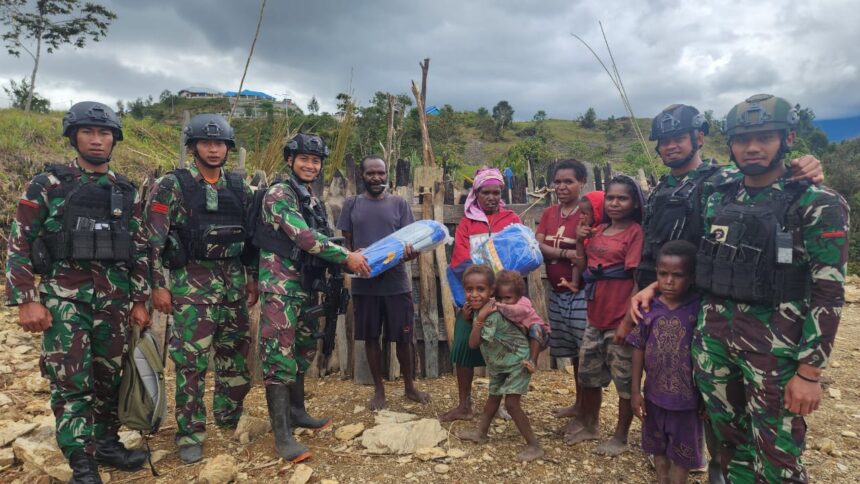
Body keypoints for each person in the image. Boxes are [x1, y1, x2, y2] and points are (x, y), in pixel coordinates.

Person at [691, 94, 848, 483]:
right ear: (730, 144)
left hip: (777, 350)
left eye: (765, 137)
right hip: (714, 342)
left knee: (779, 458)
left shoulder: (818, 202)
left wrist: (810, 373)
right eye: (743, 139)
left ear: (788, 137)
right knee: (731, 447)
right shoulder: (720, 194)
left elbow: (828, 292)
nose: (753, 147)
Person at [5, 102, 151, 483]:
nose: (97, 140)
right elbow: (20, 243)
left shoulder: (125, 190)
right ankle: (82, 466)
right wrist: (27, 299)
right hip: (65, 300)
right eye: (88, 132)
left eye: (104, 134)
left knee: (110, 378)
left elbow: (138, 248)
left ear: (114, 140)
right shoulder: (48, 184)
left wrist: (138, 299)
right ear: (73, 137)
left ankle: (106, 443)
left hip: (114, 302)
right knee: (72, 382)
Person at [145, 114, 256, 464]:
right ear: (192, 147)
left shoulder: (241, 188)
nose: (213, 149)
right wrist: (156, 286)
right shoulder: (172, 186)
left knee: (235, 354)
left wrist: (252, 277)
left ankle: (229, 415)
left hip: (233, 285)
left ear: (227, 148)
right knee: (190, 363)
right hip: (191, 286)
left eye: (219, 143)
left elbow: (252, 237)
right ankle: (190, 432)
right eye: (206, 143)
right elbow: (151, 241)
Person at [254, 133, 370, 462]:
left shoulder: (307, 196)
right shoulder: (279, 193)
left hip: (302, 283)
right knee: (279, 353)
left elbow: (318, 233)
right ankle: (282, 437)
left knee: (303, 345)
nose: (310, 165)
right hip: (280, 284)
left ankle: (297, 411)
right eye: (303, 158)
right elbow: (303, 237)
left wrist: (345, 251)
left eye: (315, 161)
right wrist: (346, 258)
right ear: (290, 160)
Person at [336, 154, 429, 410]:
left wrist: (412, 253)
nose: (376, 178)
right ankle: (379, 390)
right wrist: (353, 255)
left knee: (404, 338)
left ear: (386, 175)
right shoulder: (352, 205)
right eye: (371, 173)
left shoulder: (399, 204)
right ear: (362, 176)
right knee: (371, 337)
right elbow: (347, 245)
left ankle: (410, 386)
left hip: (397, 283)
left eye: (381, 173)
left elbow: (413, 242)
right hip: (365, 284)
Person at [565, 175, 644, 456]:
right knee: (588, 375)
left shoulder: (634, 232)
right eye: (610, 197)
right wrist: (578, 241)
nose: (614, 203)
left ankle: (621, 437)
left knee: (624, 382)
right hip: (594, 316)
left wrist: (628, 320)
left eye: (622, 198)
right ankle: (591, 424)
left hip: (619, 318)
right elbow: (584, 267)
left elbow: (636, 279)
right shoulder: (598, 231)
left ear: (634, 203)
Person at [441, 167, 521, 422]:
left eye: (496, 192)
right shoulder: (467, 224)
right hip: (473, 300)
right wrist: (479, 293)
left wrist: (502, 293)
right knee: (465, 349)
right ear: (476, 194)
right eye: (485, 192)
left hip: (503, 300)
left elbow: (519, 257)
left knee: (500, 351)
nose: (491, 197)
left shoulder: (511, 220)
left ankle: (499, 403)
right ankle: (464, 405)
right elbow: (461, 262)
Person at [628, 240, 703, 484]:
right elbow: (638, 348)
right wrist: (635, 391)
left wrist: (704, 396)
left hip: (687, 401)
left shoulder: (698, 309)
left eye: (677, 275)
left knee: (681, 456)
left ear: (691, 277)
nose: (669, 281)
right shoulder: (649, 308)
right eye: (663, 274)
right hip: (653, 397)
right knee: (658, 450)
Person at [454, 265, 544, 462]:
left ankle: (534, 445)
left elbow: (473, 343)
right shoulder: (482, 310)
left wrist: (478, 320)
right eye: (469, 290)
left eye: (480, 289)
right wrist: (470, 318)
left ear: (491, 291)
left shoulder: (491, 314)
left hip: (517, 363)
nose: (474, 295)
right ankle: (481, 433)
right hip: (499, 364)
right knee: (493, 398)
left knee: (512, 404)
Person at [534, 160, 593, 423]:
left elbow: (588, 254)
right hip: (557, 292)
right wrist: (566, 253)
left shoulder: (587, 214)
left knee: (587, 354)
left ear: (582, 183)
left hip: (581, 291)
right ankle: (579, 404)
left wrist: (565, 252)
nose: (561, 186)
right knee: (574, 353)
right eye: (557, 181)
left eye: (568, 181)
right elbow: (537, 245)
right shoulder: (549, 213)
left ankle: (589, 415)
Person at [493, 269, 550, 373]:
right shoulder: (501, 305)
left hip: (540, 337)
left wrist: (497, 305)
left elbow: (515, 311)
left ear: (519, 296)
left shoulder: (523, 303)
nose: (503, 301)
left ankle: (533, 361)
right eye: (499, 298)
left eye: (507, 298)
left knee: (535, 327)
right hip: (522, 338)